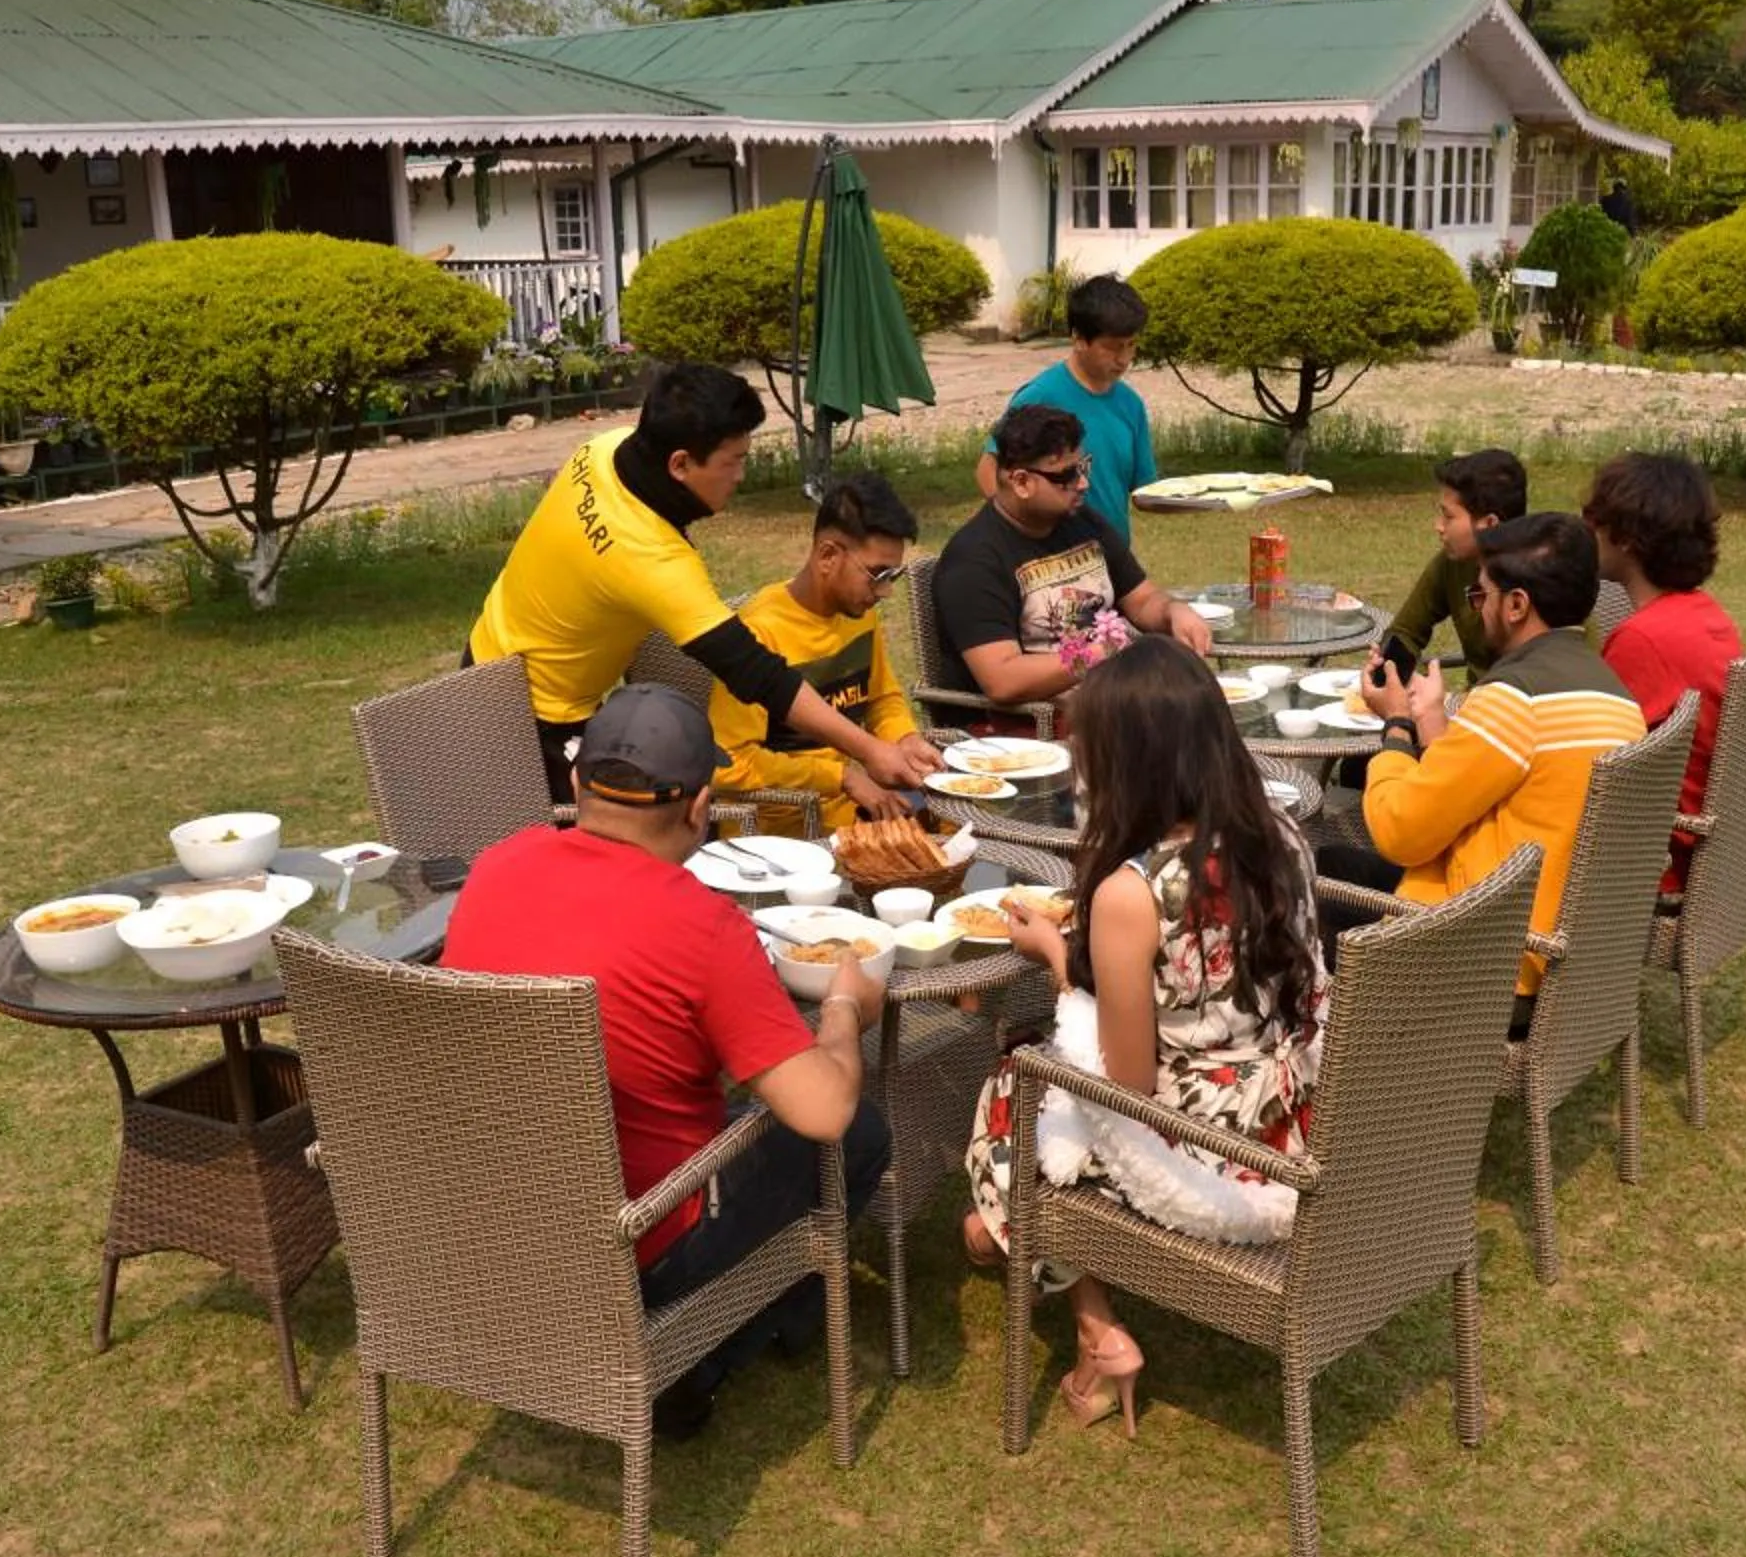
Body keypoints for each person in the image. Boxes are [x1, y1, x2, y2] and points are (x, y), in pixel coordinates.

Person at [441, 683, 893, 1439]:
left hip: (483, 1226)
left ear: (581, 785)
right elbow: (823, 1109)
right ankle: (695, 1356)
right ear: (699, 807)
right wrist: (845, 1009)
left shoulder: (497, 865)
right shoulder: (701, 925)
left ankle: (757, 1322)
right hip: (632, 1242)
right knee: (857, 1134)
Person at [962, 638, 1328, 1435]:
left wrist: (1059, 960)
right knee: (1040, 1080)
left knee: (1016, 1086)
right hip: (1293, 1107)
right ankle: (1067, 1297)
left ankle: (1051, 1278)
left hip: (1210, 1142)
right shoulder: (1282, 836)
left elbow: (1123, 1084)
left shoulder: (1133, 894)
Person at [464, 361, 929, 805]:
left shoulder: (604, 449)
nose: (741, 476)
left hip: (493, 638)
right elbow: (760, 675)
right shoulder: (650, 560)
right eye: (733, 461)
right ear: (681, 464)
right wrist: (870, 752)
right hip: (529, 706)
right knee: (593, 850)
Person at [1317, 513, 1643, 1028]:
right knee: (1339, 863)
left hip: (1487, 962)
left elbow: (1400, 833)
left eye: (1481, 597)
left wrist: (1397, 728)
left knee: (1315, 873)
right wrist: (1433, 726)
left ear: (1517, 605)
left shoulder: (1513, 701)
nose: (1477, 610)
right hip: (1564, 954)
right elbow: (1503, 788)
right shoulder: (1616, 698)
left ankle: (1348, 1064)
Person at [929, 401, 1213, 714]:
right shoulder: (974, 560)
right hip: (1025, 729)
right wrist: (1099, 654)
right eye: (1065, 475)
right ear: (1021, 482)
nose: (1083, 483)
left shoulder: (1080, 521)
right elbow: (1003, 679)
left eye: (1083, 466)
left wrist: (1174, 611)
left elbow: (1142, 599)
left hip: (1109, 704)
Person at [707, 471, 947, 832]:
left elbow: (882, 700)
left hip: (858, 810)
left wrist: (905, 738)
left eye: (892, 577)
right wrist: (840, 777)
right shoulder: (757, 634)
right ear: (827, 556)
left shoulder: (857, 612)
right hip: (784, 834)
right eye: (878, 575)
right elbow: (727, 762)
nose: (885, 593)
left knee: (963, 826)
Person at [1585, 453, 1743, 894]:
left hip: (1653, 861)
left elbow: (1591, 758)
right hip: (1711, 852)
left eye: (1595, 517)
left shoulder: (1644, 640)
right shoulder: (1706, 616)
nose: (1589, 530)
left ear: (1627, 538)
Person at [974, 273, 1159, 538]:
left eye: (1131, 345)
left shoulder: (1131, 404)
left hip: (1109, 557)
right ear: (1079, 339)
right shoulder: (1040, 396)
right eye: (1113, 348)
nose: (1125, 358)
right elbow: (988, 471)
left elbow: (1144, 493)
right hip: (1052, 559)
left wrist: (1199, 497)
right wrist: (1019, 532)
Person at [1382, 448, 1527, 683]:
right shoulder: (1453, 564)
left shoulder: (1544, 577)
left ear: (1489, 524)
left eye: (1448, 517)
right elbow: (1405, 632)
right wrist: (1390, 673)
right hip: (1469, 709)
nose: (1438, 526)